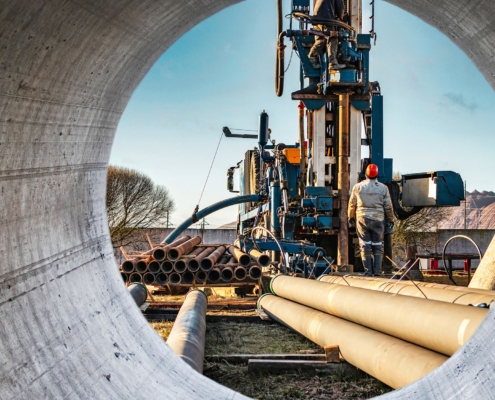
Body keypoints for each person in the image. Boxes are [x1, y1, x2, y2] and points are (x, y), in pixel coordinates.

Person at [348, 164, 394, 276]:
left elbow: (352, 204)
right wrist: (391, 218)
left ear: (366, 174)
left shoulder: (358, 187)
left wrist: (351, 216)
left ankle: (368, 272)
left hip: (362, 219)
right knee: (378, 245)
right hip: (378, 219)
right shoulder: (383, 188)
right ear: (377, 174)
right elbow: (388, 206)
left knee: (365, 245)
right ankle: (377, 272)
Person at [308, 0, 346, 71]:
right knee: (333, 37)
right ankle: (333, 63)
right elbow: (340, 8)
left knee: (320, 40)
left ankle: (311, 58)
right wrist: (341, 17)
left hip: (316, 19)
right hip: (326, 19)